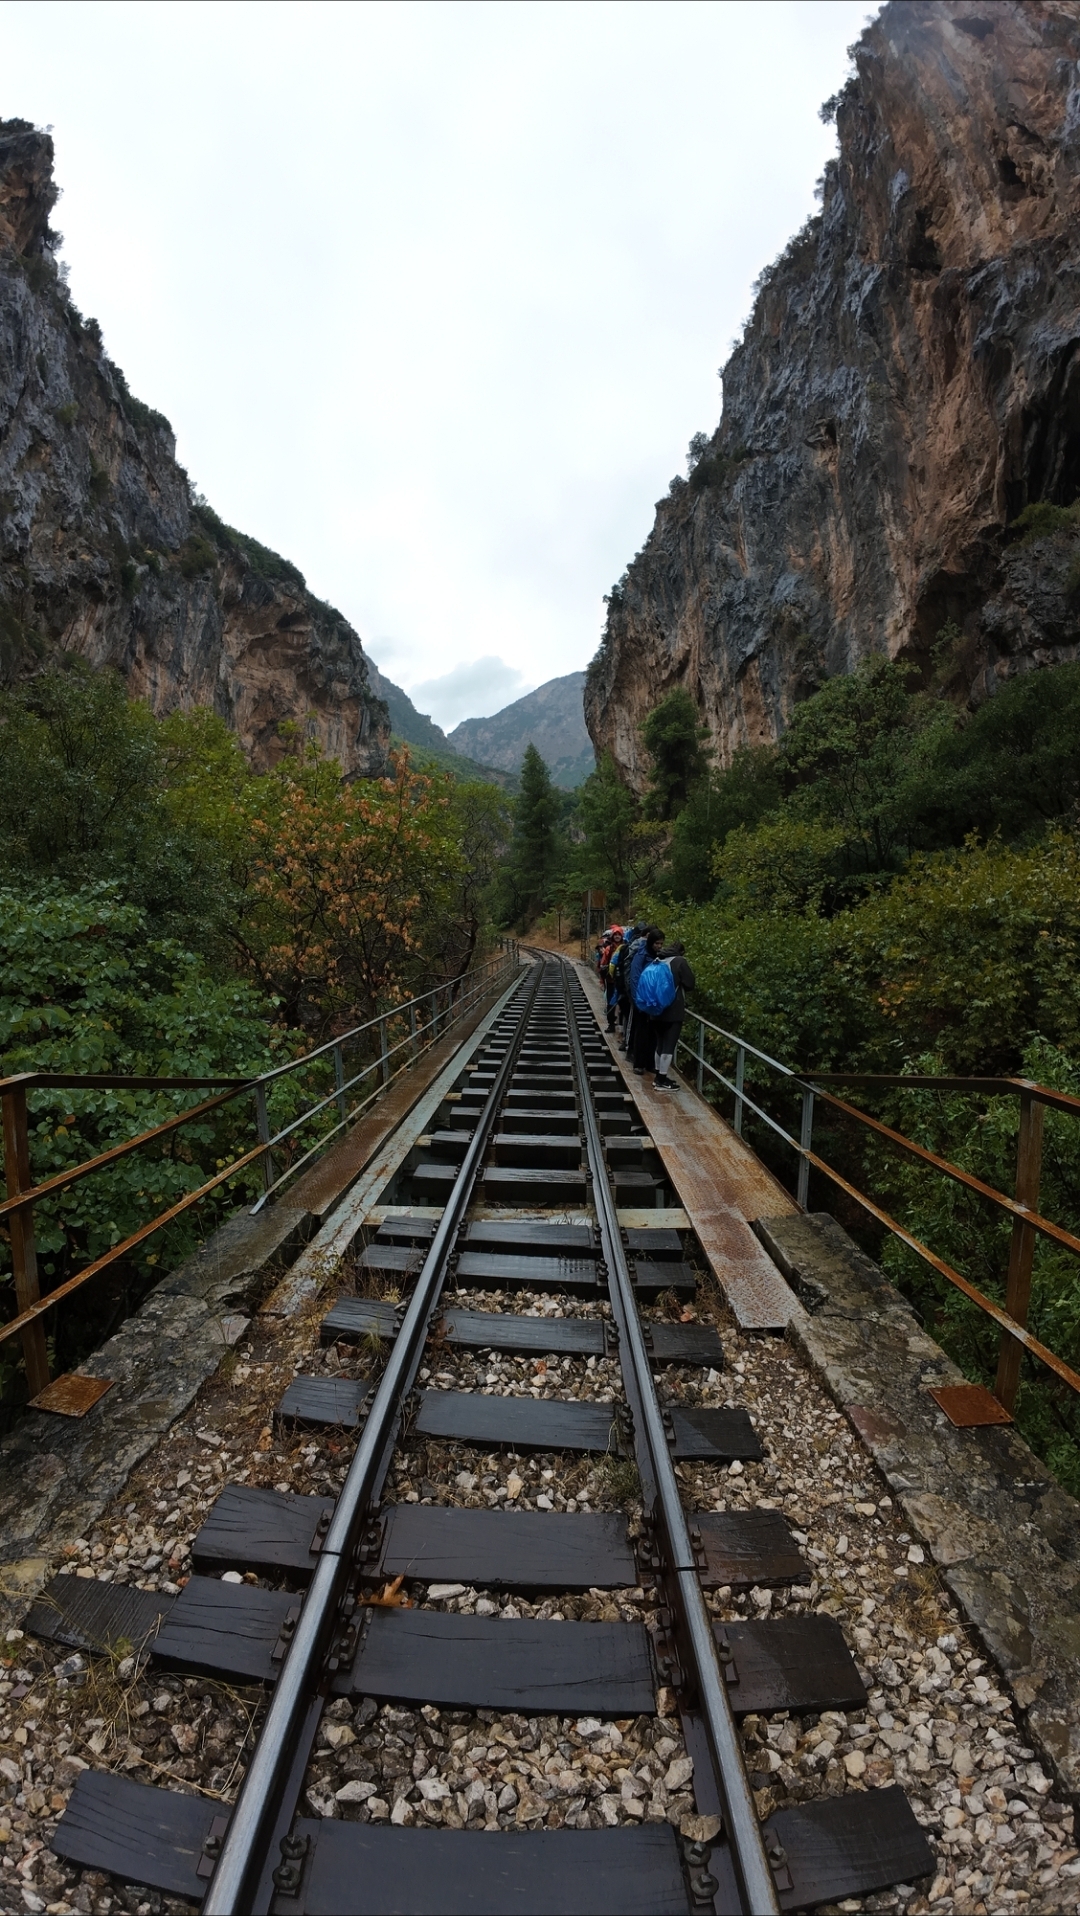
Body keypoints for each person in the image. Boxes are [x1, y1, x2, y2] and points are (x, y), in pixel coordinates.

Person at [652, 940, 696, 1089]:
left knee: (659, 1043)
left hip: (656, 1009)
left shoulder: (658, 959)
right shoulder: (679, 961)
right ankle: (662, 1081)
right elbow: (690, 983)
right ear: (681, 952)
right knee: (669, 1045)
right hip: (673, 1010)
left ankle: (657, 1076)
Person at [628, 926, 665, 1075]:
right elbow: (635, 977)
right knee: (641, 1031)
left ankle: (650, 1063)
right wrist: (638, 999)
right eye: (657, 943)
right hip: (642, 1000)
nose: (659, 946)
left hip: (655, 1001)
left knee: (653, 1033)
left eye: (661, 943)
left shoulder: (660, 956)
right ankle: (639, 1063)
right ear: (651, 942)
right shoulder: (641, 955)